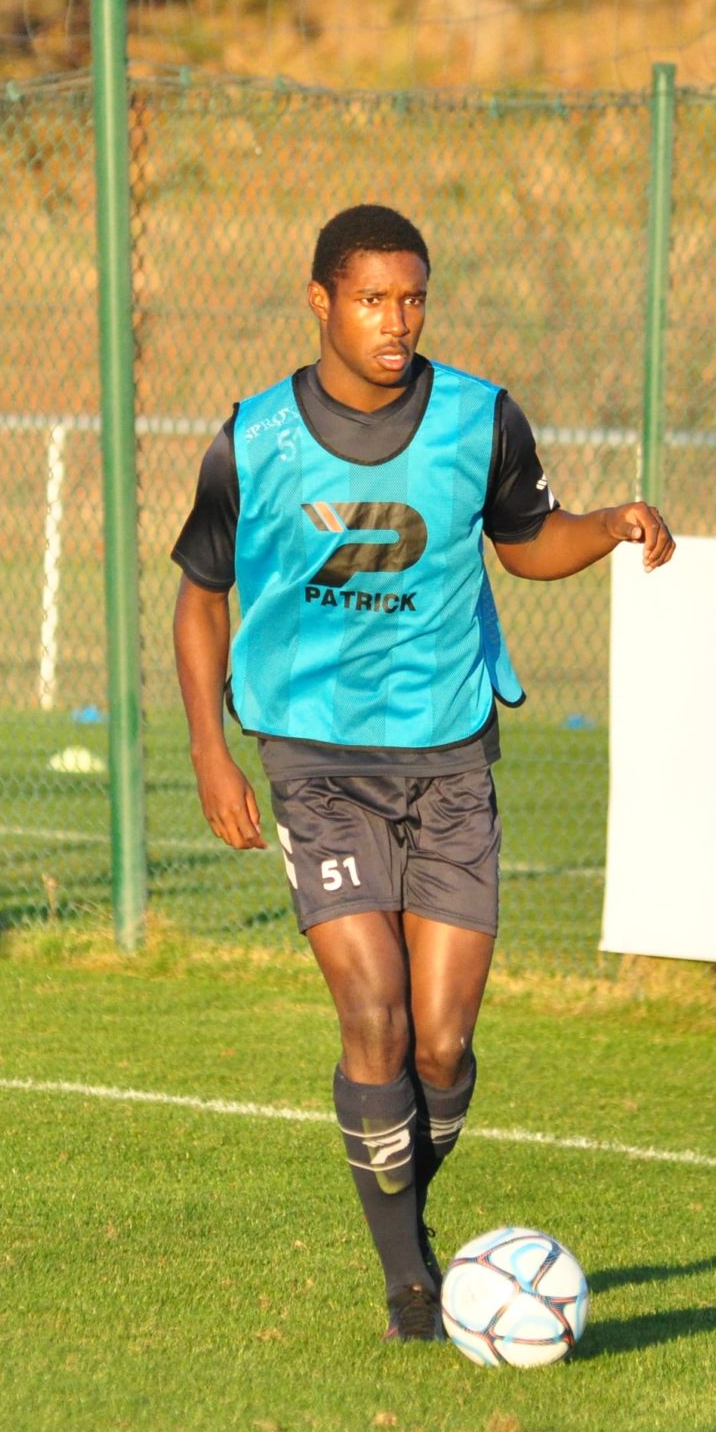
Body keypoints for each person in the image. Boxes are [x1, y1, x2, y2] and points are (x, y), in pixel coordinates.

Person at [169, 203, 674, 1340]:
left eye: (413, 299)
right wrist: (210, 744)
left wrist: (606, 524)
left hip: (449, 757)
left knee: (441, 1044)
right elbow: (201, 594)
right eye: (372, 299)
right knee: (376, 1012)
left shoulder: (478, 420)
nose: (397, 321)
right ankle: (408, 1280)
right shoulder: (253, 438)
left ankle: (406, 1213)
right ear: (320, 302)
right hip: (312, 757)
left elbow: (526, 541)